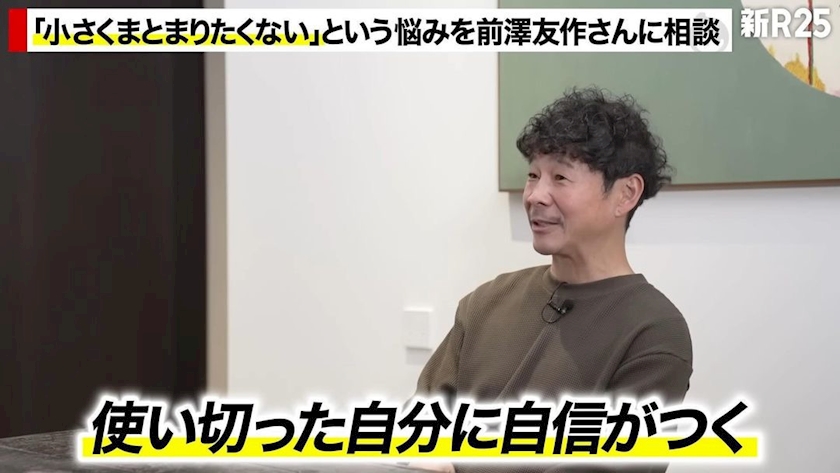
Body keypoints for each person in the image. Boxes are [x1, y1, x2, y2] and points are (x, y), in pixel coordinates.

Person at [408, 87, 693, 473]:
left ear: (626, 193)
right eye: (532, 175)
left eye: (560, 177)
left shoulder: (653, 332)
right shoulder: (485, 302)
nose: (535, 196)